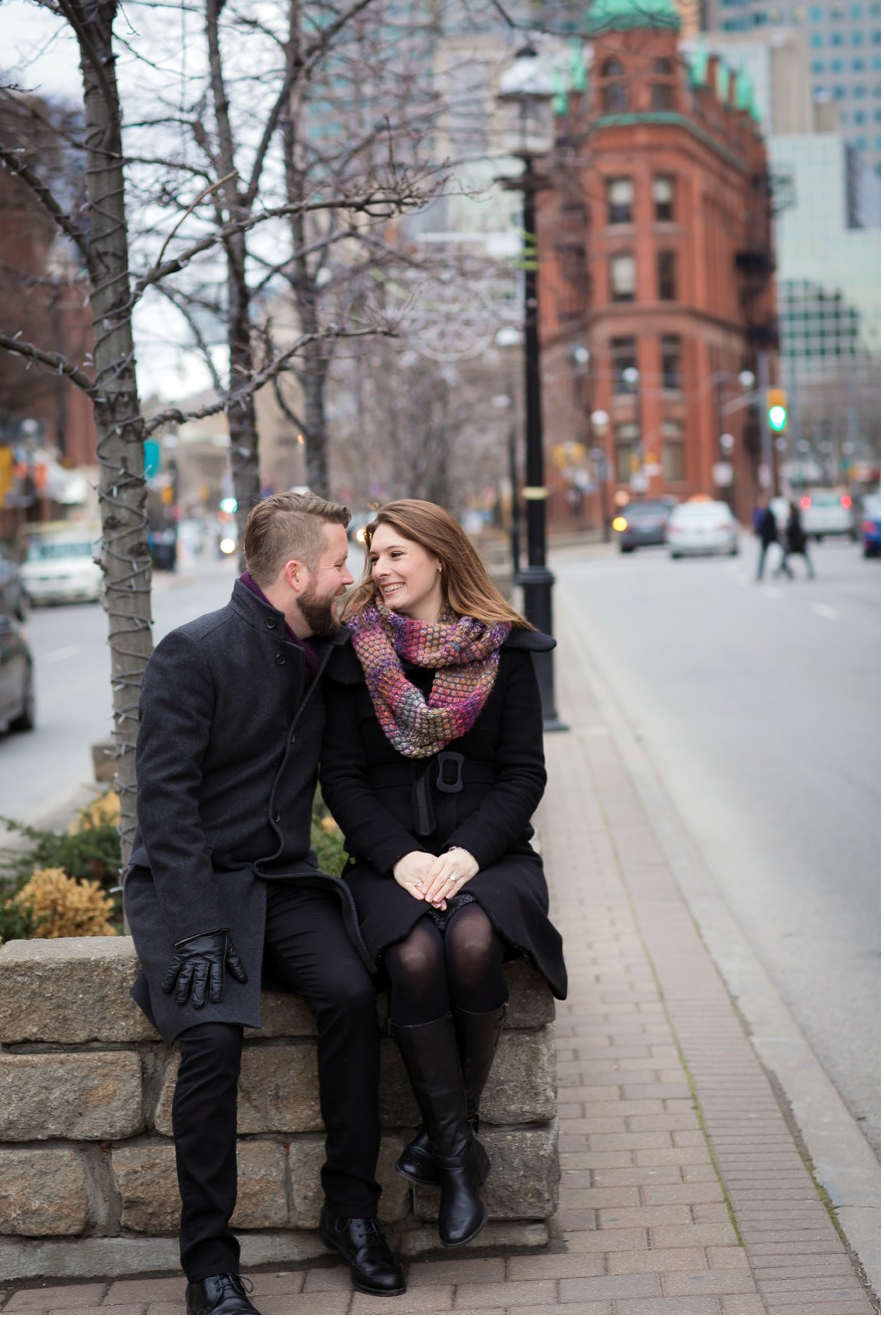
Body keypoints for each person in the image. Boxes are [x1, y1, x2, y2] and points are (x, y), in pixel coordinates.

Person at [123, 491, 406, 1312]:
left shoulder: (331, 649)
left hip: (283, 881)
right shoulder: (194, 652)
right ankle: (208, 1262)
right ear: (294, 573)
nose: (350, 575)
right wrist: (197, 929)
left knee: (353, 995)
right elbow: (165, 807)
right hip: (192, 886)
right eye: (339, 562)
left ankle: (351, 1211)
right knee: (210, 1038)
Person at [320, 499, 568, 1252]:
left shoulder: (509, 649)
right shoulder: (352, 652)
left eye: (396, 553)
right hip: (386, 860)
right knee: (415, 953)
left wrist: (467, 855)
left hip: (489, 856)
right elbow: (343, 777)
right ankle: (460, 1154)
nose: (381, 569)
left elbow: (525, 772)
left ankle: (447, 1145)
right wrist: (403, 856)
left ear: (438, 555)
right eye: (372, 556)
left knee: (468, 938)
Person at [781, 502, 815, 580]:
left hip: (795, 543)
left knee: (786, 558)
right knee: (804, 557)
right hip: (796, 543)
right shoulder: (794, 517)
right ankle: (789, 571)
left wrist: (785, 530)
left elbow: (791, 530)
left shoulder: (794, 518)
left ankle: (790, 572)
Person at [755, 500, 781, 580]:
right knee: (771, 557)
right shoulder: (766, 513)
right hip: (769, 539)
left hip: (769, 539)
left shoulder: (768, 514)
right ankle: (760, 575)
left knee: (773, 557)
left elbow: (768, 528)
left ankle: (760, 575)